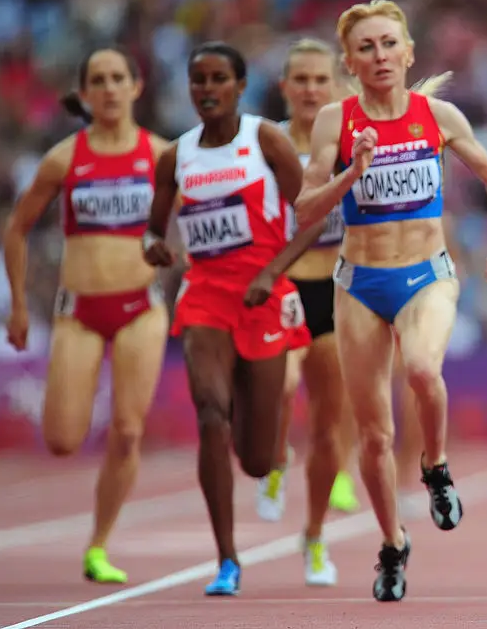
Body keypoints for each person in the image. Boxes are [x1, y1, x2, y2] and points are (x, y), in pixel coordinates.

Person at [294, 0, 487, 602]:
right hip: (359, 285)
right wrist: (351, 171)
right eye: (366, 47)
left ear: (409, 51)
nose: (380, 55)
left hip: (427, 274)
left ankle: (437, 466)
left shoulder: (437, 114)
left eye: (389, 43)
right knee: (373, 436)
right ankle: (392, 544)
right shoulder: (333, 123)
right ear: (349, 62)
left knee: (422, 368)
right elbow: (304, 211)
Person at [142, 41, 341, 597]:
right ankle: (227, 560)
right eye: (197, 79)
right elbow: (154, 231)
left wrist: (270, 271)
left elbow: (311, 219)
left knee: (255, 460)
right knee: (210, 414)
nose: (207, 89)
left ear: (239, 85)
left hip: (264, 293)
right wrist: (155, 247)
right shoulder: (176, 156)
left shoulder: (264, 140)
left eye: (218, 79)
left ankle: (270, 455)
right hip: (205, 294)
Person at [3, 48, 170, 585]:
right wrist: (20, 303)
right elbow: (16, 228)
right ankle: (96, 536)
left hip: (141, 309)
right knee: (62, 439)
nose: (109, 88)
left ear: (136, 87)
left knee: (127, 430)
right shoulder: (64, 158)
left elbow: (206, 218)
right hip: (80, 309)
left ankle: (98, 545)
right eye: (98, 80)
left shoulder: (162, 156)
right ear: (86, 93)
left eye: (118, 78)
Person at [249, 37, 354, 586]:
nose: (312, 89)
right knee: (281, 387)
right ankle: (273, 458)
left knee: (329, 426)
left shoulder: (350, 139)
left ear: (336, 86)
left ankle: (314, 538)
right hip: (281, 288)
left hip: (337, 290)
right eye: (302, 80)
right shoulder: (265, 145)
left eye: (321, 80)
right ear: (286, 87)